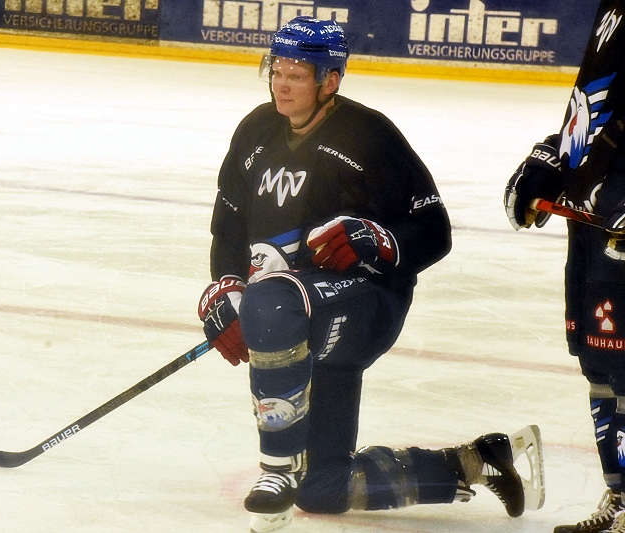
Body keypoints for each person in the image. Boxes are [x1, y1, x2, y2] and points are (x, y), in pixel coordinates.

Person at [199, 15, 544, 532]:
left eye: (298, 72)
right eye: (278, 69)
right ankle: (478, 461)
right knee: (324, 490)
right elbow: (228, 227)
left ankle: (277, 469)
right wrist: (226, 285)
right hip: (295, 312)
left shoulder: (369, 136)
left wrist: (380, 241)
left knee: (274, 301)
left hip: (365, 304)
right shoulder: (255, 131)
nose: (283, 82)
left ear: (330, 80)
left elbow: (434, 231)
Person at [503, 2, 625, 532]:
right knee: (601, 365)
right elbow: (598, 110)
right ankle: (620, 497)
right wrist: (552, 159)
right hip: (596, 222)